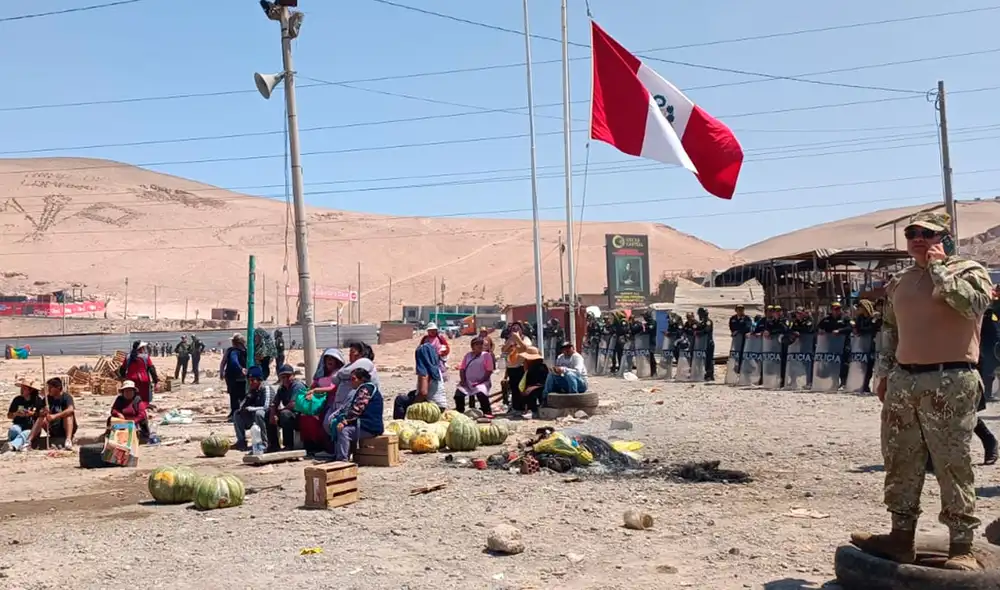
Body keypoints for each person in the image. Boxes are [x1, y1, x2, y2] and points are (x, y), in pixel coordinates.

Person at [851, 211, 993, 572]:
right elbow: (889, 330)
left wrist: (939, 271)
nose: (918, 238)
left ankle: (961, 544)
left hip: (950, 380)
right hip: (904, 381)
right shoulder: (900, 280)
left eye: (927, 233)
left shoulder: (968, 271)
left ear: (944, 237)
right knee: (901, 459)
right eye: (912, 232)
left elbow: (972, 305)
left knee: (952, 462)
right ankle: (900, 537)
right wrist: (884, 374)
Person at [328, 367, 384, 461]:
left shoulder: (365, 389)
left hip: (369, 426)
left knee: (344, 431)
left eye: (353, 379)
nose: (351, 382)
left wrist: (345, 422)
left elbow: (357, 409)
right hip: (367, 425)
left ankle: (342, 460)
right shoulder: (366, 388)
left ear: (362, 379)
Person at [233, 366, 274, 452]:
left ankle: (265, 442)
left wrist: (252, 409)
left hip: (268, 416)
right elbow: (242, 406)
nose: (251, 383)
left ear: (259, 380)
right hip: (254, 417)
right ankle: (241, 442)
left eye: (253, 380)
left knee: (259, 413)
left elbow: (267, 407)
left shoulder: (266, 388)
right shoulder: (252, 390)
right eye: (249, 380)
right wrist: (249, 397)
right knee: (237, 414)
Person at [268, 364, 306, 452]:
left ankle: (288, 445)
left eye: (287, 376)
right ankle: (273, 444)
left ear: (293, 375)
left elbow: (293, 404)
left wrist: (280, 411)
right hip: (288, 415)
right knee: (268, 413)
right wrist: (273, 413)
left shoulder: (297, 386)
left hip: (299, 415)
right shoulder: (282, 389)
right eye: (283, 377)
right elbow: (274, 402)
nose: (285, 379)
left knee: (285, 414)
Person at [3, 379, 45, 453]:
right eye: (21, 388)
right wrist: (16, 414)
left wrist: (32, 414)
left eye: (24, 388)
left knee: (25, 433)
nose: (21, 390)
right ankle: (16, 445)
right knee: (14, 429)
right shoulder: (17, 400)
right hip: (19, 424)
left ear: (30, 390)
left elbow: (42, 416)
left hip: (32, 428)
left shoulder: (38, 401)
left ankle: (12, 445)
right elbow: (9, 415)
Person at [455, 337, 495, 415]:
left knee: (481, 393)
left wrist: (480, 381)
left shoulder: (486, 355)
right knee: (458, 395)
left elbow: (489, 371)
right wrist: (463, 381)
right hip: (468, 382)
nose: (480, 346)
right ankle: (460, 413)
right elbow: (462, 369)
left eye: (481, 344)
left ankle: (487, 412)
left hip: (482, 381)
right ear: (472, 346)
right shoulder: (468, 355)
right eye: (477, 344)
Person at [501, 322, 531, 407]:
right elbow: (503, 350)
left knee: (521, 387)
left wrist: (517, 338)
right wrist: (510, 341)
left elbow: (526, 348)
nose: (515, 330)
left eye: (518, 328)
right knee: (514, 388)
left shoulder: (525, 338)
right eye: (513, 329)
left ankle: (523, 407)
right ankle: (516, 407)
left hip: (522, 366)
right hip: (511, 366)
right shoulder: (510, 339)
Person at [41, 377, 76, 450]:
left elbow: (71, 409)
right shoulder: (47, 399)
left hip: (64, 425)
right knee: (42, 419)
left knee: (68, 415)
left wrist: (55, 416)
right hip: (53, 426)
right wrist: (44, 411)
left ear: (58, 387)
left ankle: (68, 439)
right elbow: (40, 411)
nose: (49, 389)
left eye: (51, 387)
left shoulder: (66, 397)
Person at [220, 334, 248, 422]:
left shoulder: (232, 351)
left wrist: (221, 371)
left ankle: (236, 414)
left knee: (235, 396)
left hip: (233, 377)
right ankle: (236, 413)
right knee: (240, 395)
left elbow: (228, 361)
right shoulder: (245, 351)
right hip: (239, 377)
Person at [514, 346, 548, 418]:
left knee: (531, 393)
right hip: (532, 386)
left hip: (541, 386)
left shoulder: (542, 367)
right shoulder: (529, 367)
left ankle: (534, 411)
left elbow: (543, 381)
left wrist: (532, 387)